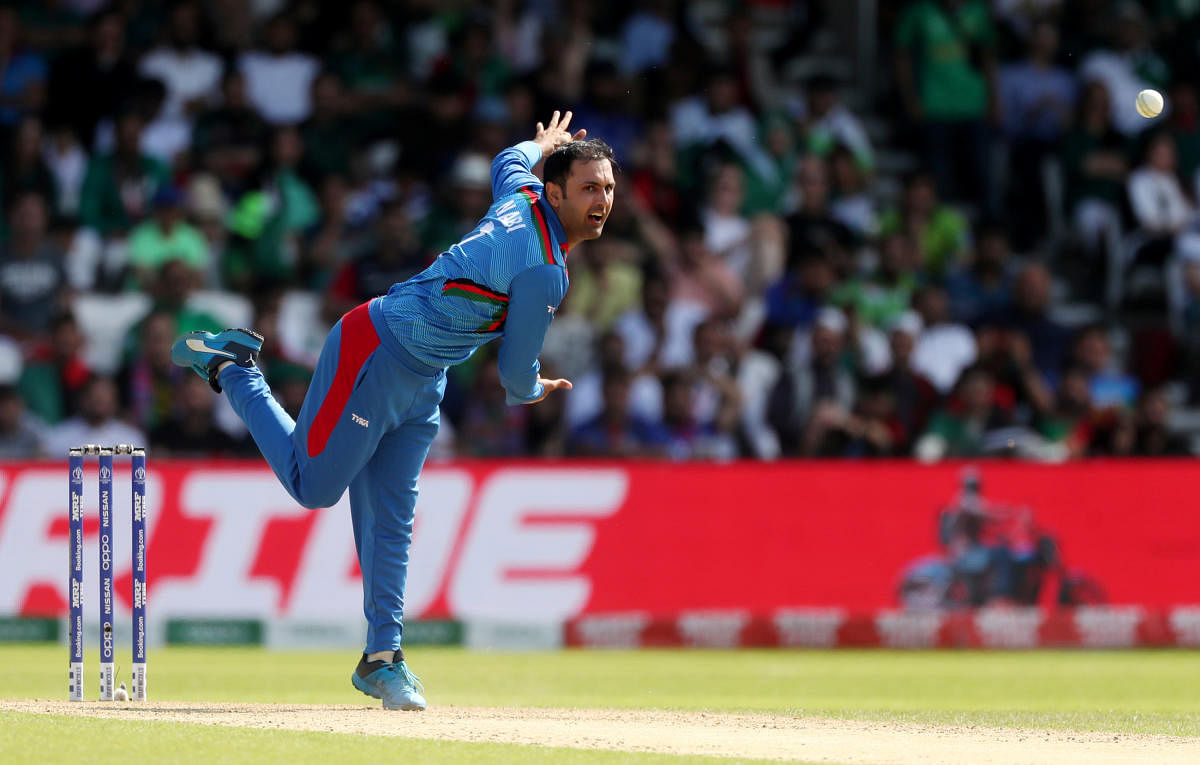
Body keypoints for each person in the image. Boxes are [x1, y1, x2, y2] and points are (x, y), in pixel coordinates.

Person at [170, 111, 614, 711]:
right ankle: (236, 370)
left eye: (608, 188)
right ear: (557, 193)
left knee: (393, 522)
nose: (602, 200)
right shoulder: (544, 270)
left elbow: (506, 162)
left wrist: (537, 146)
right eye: (590, 188)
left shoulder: (525, 192)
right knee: (313, 487)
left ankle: (383, 659)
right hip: (374, 350)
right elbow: (513, 375)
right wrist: (534, 389)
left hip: (424, 378)